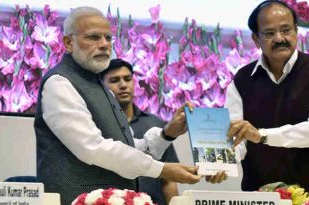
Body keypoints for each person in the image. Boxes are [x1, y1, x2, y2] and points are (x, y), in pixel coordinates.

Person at [34, 7, 225, 205]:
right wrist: (162, 169)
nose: (104, 45)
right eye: (93, 37)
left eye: (108, 38)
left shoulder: (101, 88)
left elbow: (129, 148)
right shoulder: (59, 83)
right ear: (68, 42)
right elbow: (92, 147)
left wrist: (168, 133)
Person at [225, 0, 309, 196]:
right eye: (269, 33)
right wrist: (221, 163)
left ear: (296, 31)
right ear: (256, 39)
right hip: (261, 196)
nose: (280, 38)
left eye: (286, 30)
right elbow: (235, 138)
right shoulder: (242, 80)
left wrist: (262, 136)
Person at [101, 59, 180, 205]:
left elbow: (169, 179)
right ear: (102, 87)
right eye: (114, 80)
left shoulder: (155, 125)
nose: (123, 85)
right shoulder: (99, 127)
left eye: (127, 79)